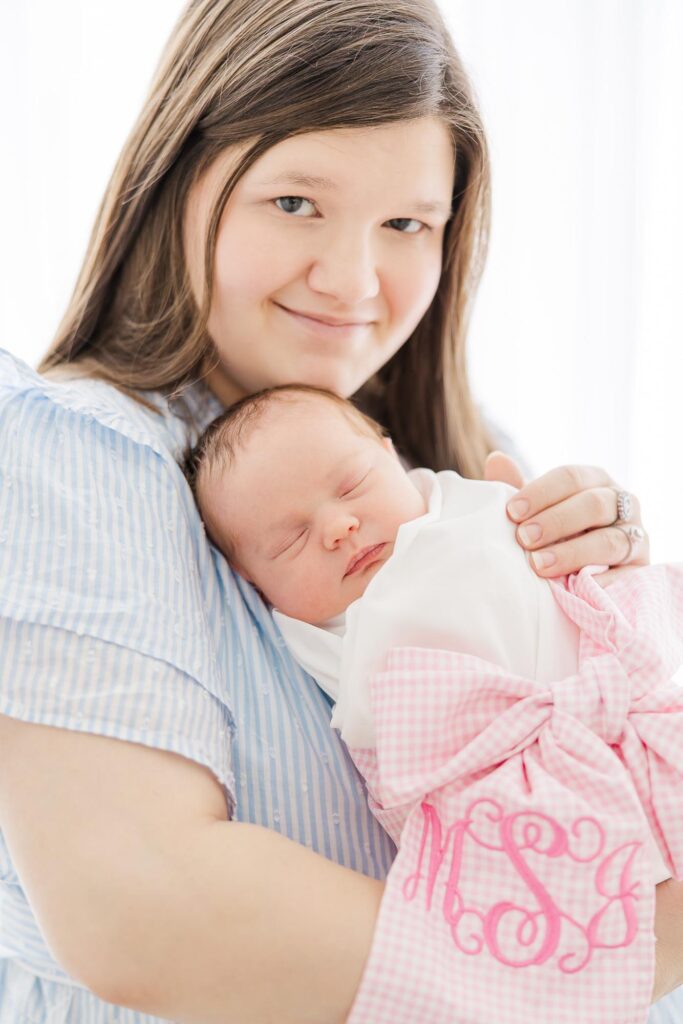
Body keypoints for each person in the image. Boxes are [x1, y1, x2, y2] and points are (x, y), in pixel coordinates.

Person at [0, 1, 681, 1022]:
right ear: (181, 180)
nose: (353, 280)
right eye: (294, 203)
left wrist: (609, 609)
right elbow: (147, 910)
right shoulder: (82, 451)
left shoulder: (458, 460)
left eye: (406, 223)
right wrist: (622, 950)